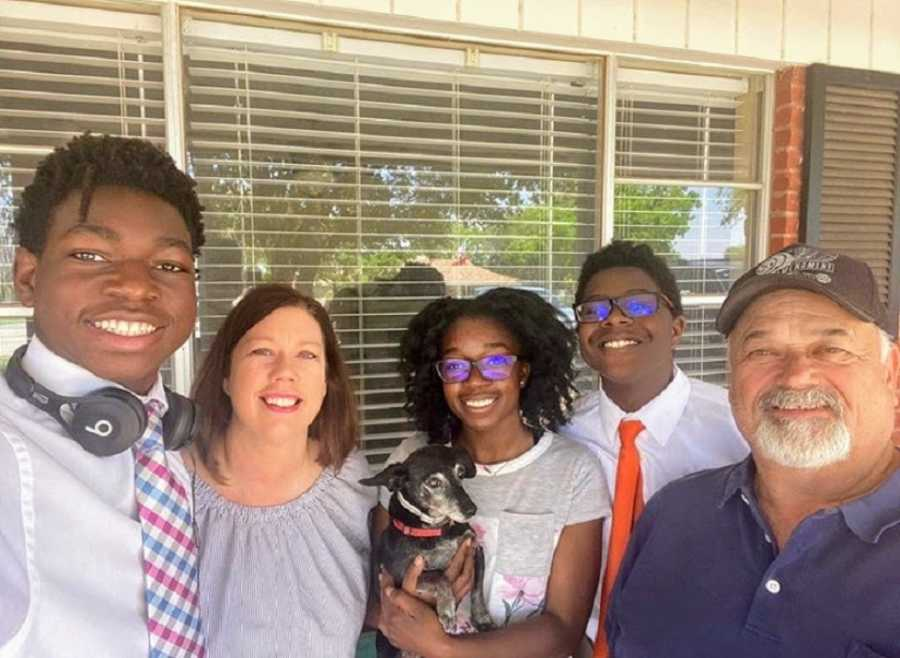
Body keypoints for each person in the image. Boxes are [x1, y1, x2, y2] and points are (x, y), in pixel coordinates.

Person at [606, 243, 900, 657]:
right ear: (732, 376)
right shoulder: (673, 514)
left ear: (891, 373)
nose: (796, 377)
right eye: (762, 351)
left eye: (831, 349)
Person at [0, 133, 206, 656]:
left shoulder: (186, 441)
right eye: (90, 254)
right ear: (28, 277)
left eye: (169, 265)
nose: (136, 286)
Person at [375, 287, 609, 658]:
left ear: (523, 372)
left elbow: (564, 629)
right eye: (456, 365)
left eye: (495, 362)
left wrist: (444, 647)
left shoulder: (573, 472)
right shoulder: (412, 459)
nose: (475, 379)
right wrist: (411, 599)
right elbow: (381, 587)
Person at [559, 241, 748, 653]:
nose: (615, 319)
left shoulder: (739, 428)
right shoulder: (560, 434)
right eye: (594, 310)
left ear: (676, 328)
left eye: (639, 304)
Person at [187, 283, 375, 658]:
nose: (284, 372)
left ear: (327, 381)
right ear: (226, 375)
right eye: (262, 351)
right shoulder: (171, 482)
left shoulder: (350, 478)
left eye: (307, 355)